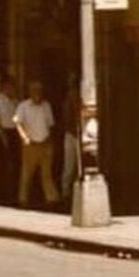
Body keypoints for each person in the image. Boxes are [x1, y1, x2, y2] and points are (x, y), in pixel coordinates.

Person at [13, 79, 59, 209]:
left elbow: (50, 125)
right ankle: (23, 199)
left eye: (40, 91)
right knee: (27, 174)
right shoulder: (23, 106)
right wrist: (24, 137)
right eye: (35, 91)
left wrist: (50, 141)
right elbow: (18, 122)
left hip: (45, 143)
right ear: (30, 92)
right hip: (30, 144)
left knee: (47, 173)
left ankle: (51, 199)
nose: (38, 93)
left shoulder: (46, 106)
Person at [0, 75, 19, 203]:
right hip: (2, 132)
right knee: (0, 164)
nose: (12, 89)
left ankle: (10, 191)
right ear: (4, 87)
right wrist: (3, 137)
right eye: (9, 87)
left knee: (13, 164)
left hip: (13, 132)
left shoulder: (15, 102)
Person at [60, 74, 81, 202]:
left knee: (73, 165)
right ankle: (66, 190)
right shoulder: (69, 100)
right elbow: (67, 118)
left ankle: (69, 190)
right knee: (70, 165)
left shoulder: (79, 98)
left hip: (76, 134)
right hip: (72, 134)